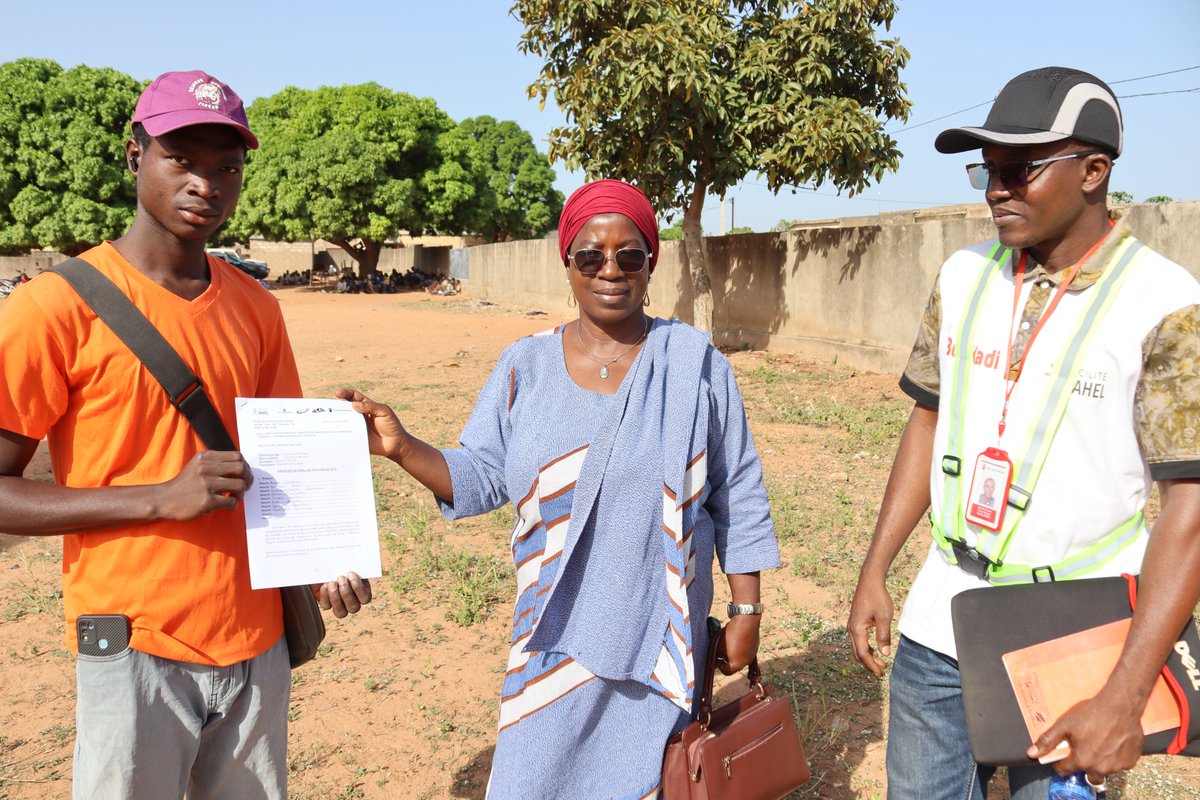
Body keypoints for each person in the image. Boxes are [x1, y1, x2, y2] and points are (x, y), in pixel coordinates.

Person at [339, 179, 781, 799]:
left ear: (651, 262)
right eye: (590, 256)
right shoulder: (525, 367)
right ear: (566, 261)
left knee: (648, 782)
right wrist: (401, 446)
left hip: (658, 634)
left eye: (630, 256)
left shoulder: (694, 364)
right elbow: (485, 474)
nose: (611, 270)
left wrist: (745, 609)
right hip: (551, 634)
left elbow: (738, 490)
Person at [0, 70, 372, 800]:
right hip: (134, 642)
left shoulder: (257, 307)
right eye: (182, 159)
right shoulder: (53, 308)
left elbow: (279, 466)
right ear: (134, 155)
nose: (206, 184)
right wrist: (157, 499)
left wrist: (326, 557)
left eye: (226, 167)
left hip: (257, 641)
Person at [847, 66, 1200, 799]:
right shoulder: (961, 275)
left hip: (1075, 635)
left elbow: (1188, 512)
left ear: (1095, 170)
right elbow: (928, 419)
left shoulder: (1166, 305)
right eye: (989, 169)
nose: (996, 188)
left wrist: (1125, 696)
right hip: (941, 618)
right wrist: (876, 567)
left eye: (1021, 169)